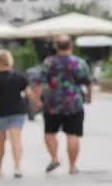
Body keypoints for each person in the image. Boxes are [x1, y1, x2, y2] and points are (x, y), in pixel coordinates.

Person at [39, 35, 93, 174]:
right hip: (73, 103)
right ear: (71, 46)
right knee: (73, 134)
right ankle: (72, 166)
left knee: (49, 133)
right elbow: (88, 82)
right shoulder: (79, 62)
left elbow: (42, 82)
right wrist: (89, 97)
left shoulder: (48, 62)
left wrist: (40, 100)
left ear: (56, 47)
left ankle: (54, 158)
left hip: (52, 103)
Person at [0, 49, 30, 178]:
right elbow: (27, 92)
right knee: (16, 139)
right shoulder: (19, 77)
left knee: (0, 140)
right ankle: (17, 167)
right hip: (17, 110)